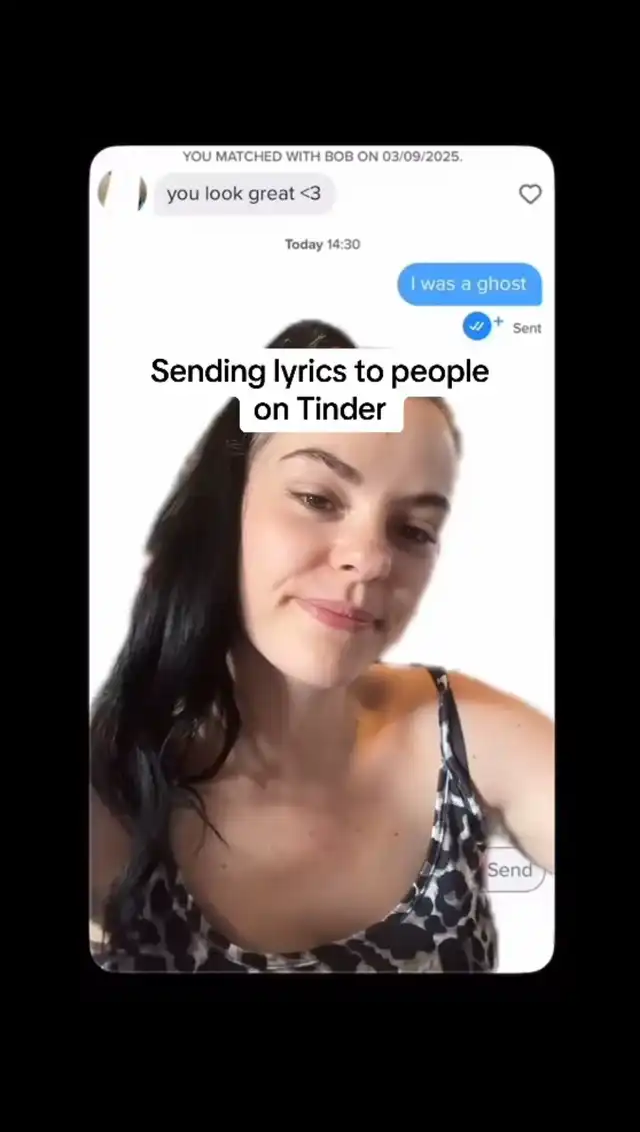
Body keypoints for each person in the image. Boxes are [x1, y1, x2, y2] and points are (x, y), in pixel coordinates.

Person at [89, 319, 554, 973]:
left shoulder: (466, 733)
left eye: (413, 530)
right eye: (316, 498)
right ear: (225, 507)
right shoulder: (110, 794)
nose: (371, 560)